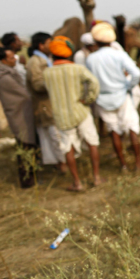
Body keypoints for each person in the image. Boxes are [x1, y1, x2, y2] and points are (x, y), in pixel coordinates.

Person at [86, 22, 140, 171]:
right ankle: (138, 163)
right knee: (132, 127)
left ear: (96, 41)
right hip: (122, 96)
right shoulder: (119, 54)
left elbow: (90, 81)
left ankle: (123, 165)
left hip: (102, 99)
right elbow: (136, 73)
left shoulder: (91, 59)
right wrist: (129, 86)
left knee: (113, 131)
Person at [43, 36, 103, 191]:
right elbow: (94, 83)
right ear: (68, 53)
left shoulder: (47, 73)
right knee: (92, 142)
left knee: (67, 147)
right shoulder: (78, 69)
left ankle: (77, 183)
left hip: (62, 117)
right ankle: (96, 177)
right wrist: (88, 99)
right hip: (81, 111)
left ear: (52, 54)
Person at [0, 47, 36, 188]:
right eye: (11, 58)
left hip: (19, 112)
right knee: (25, 147)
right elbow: (23, 95)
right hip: (19, 114)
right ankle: (27, 181)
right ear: (3, 60)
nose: (14, 59)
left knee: (26, 146)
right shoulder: (3, 77)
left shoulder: (3, 73)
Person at [25, 32, 66, 172]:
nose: (52, 46)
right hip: (45, 105)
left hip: (53, 103)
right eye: (49, 43)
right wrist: (57, 82)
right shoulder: (34, 62)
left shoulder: (47, 59)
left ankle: (62, 161)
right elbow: (37, 85)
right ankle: (62, 163)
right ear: (41, 45)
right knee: (54, 136)